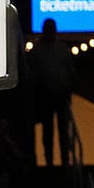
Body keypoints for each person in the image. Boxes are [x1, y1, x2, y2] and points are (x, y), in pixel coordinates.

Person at [29, 18, 76, 167]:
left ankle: (57, 161)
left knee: (53, 131)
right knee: (53, 131)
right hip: (50, 96)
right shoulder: (59, 50)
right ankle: (58, 161)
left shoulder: (39, 50)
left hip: (53, 96)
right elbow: (70, 72)